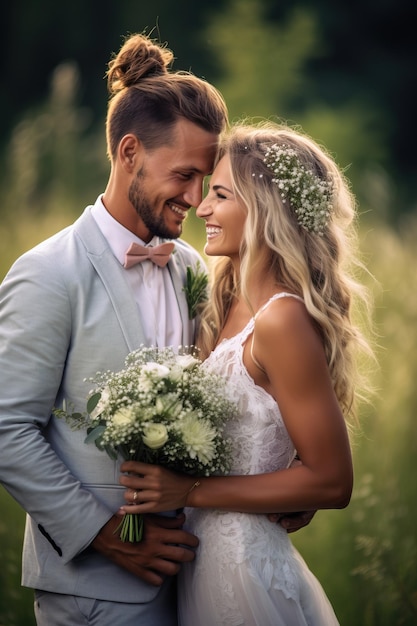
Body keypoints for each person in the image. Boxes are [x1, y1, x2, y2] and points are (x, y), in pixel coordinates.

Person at [0, 32, 229, 626]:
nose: (196, 199)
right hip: (94, 590)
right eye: (183, 175)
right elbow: (6, 427)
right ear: (130, 152)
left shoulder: (191, 269)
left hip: (197, 579)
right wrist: (107, 535)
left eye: (205, 179)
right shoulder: (49, 273)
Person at [118, 121, 374, 625]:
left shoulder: (282, 320)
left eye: (219, 194)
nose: (203, 207)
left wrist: (189, 492)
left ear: (263, 210)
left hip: (241, 567)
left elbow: (332, 480)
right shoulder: (221, 298)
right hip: (201, 561)